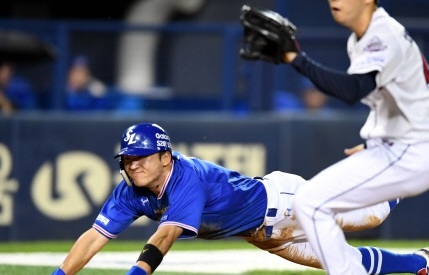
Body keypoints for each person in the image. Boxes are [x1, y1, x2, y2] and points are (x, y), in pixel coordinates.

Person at [50, 122, 429, 275]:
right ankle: (419, 263)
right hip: (261, 233)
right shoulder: (130, 191)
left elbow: (164, 237)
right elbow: (94, 237)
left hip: (286, 204)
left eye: (141, 158)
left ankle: (396, 158)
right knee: (343, 266)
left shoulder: (186, 177)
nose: (132, 166)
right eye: (127, 159)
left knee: (374, 216)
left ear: (165, 156)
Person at [265, 0, 429, 274]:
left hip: (412, 151)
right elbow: (402, 94)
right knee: (311, 203)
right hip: (397, 145)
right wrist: (376, 140)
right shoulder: (364, 38)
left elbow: (353, 90)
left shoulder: (382, 35)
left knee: (311, 203)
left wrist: (295, 58)